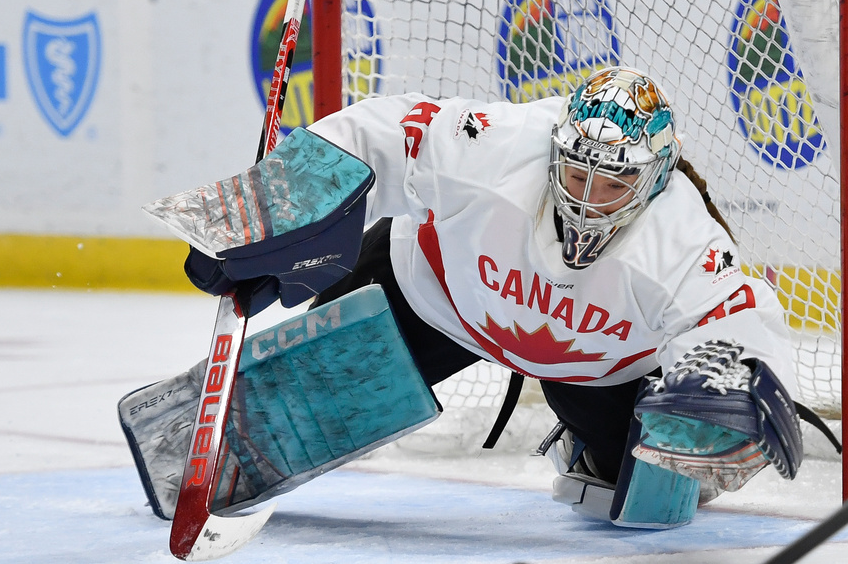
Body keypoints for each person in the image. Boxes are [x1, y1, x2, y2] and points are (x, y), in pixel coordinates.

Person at [291, 65, 803, 527]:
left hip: (587, 363)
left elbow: (732, 315)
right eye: (579, 174)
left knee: (651, 494)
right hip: (437, 297)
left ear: (655, 177)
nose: (588, 200)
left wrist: (731, 388)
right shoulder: (501, 147)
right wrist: (285, 193)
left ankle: (589, 445)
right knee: (296, 398)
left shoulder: (682, 236)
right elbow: (387, 134)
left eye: (614, 183)